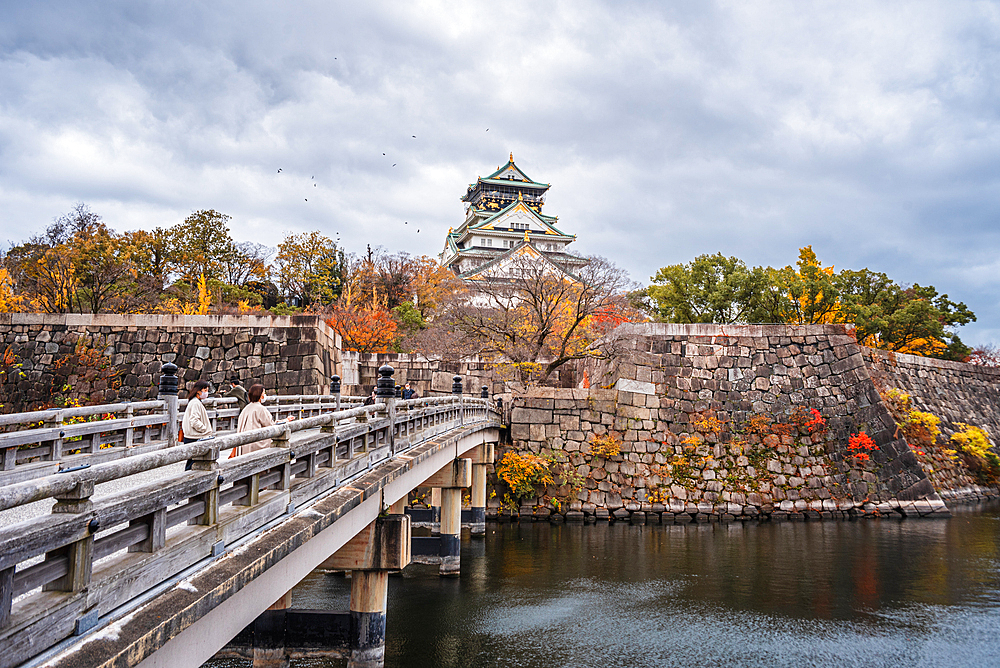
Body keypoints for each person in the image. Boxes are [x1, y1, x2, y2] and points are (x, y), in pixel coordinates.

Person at [230, 384, 294, 457]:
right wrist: (286, 420)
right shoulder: (261, 409)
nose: (265, 395)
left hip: (243, 445)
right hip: (254, 444)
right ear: (260, 395)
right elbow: (271, 425)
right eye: (263, 393)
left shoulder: (246, 408)